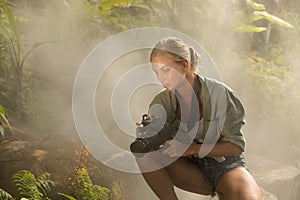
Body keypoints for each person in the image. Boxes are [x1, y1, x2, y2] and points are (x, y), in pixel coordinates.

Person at [135, 37, 262, 200]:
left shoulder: (221, 95)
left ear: (185, 65)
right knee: (144, 152)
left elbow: (236, 147)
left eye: (166, 70)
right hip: (189, 168)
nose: (161, 78)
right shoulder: (162, 101)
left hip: (225, 165)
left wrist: (190, 148)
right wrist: (147, 135)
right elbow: (155, 146)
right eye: (156, 72)